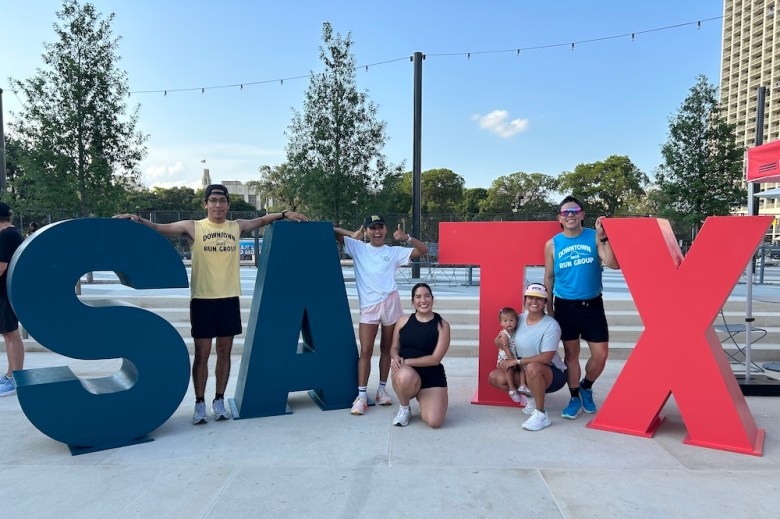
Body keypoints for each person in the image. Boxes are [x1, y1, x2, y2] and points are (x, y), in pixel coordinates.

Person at [115, 185, 308, 424]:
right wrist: (137, 219)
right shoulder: (193, 227)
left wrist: (284, 213)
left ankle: (219, 400)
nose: (218, 205)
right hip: (203, 300)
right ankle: (199, 403)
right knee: (203, 354)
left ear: (228, 204)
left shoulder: (235, 226)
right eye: (213, 201)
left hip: (228, 299)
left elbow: (260, 220)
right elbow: (158, 228)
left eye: (222, 201)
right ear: (205, 204)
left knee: (224, 352)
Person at [334, 215, 428, 415]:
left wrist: (407, 237)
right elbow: (330, 231)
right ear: (367, 231)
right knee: (366, 350)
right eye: (372, 228)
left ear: (386, 230)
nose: (377, 232)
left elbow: (423, 251)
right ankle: (361, 395)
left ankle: (381, 390)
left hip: (390, 303)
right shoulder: (358, 247)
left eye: (380, 228)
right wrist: (351, 233)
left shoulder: (394, 251)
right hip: (369, 306)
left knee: (387, 348)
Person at [544, 195, 619, 420]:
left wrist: (605, 238)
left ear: (582, 215)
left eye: (575, 211)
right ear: (559, 218)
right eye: (565, 212)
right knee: (571, 355)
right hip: (565, 306)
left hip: (593, 305)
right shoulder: (552, 244)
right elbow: (548, 277)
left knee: (601, 355)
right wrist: (550, 310)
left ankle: (587, 386)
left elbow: (614, 264)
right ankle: (575, 396)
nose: (570, 215)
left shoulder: (594, 237)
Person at [488, 283, 567, 431]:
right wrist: (498, 341)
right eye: (531, 298)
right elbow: (504, 335)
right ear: (525, 300)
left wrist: (516, 361)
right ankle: (532, 396)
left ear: (545, 302)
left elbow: (546, 358)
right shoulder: (518, 319)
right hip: (526, 369)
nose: (534, 302)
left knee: (533, 367)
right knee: (495, 377)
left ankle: (541, 414)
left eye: (539, 299)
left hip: (553, 373)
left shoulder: (551, 325)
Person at [390, 283, 450, 428]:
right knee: (405, 377)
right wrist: (395, 357)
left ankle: (424, 396)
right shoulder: (403, 321)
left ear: (432, 299)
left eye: (427, 296)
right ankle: (405, 408)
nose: (423, 300)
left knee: (434, 422)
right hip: (406, 373)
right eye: (418, 297)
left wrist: (407, 362)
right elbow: (394, 348)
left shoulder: (442, 325)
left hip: (431, 374)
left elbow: (435, 359)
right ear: (413, 302)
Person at [0, 203, 25, 397]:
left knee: (11, 335)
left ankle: (14, 378)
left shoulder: (6, 236)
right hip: (9, 291)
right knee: (9, 335)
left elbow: (1, 267)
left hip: (4, 292)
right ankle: (10, 375)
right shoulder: (13, 233)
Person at [494, 307, 530, 404]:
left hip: (515, 357)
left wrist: (517, 361)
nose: (509, 323)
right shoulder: (504, 335)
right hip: (505, 358)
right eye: (505, 321)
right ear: (501, 323)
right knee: (510, 368)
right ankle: (512, 389)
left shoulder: (517, 332)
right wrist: (512, 361)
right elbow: (507, 349)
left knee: (523, 368)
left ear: (516, 321)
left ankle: (523, 385)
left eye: (511, 320)